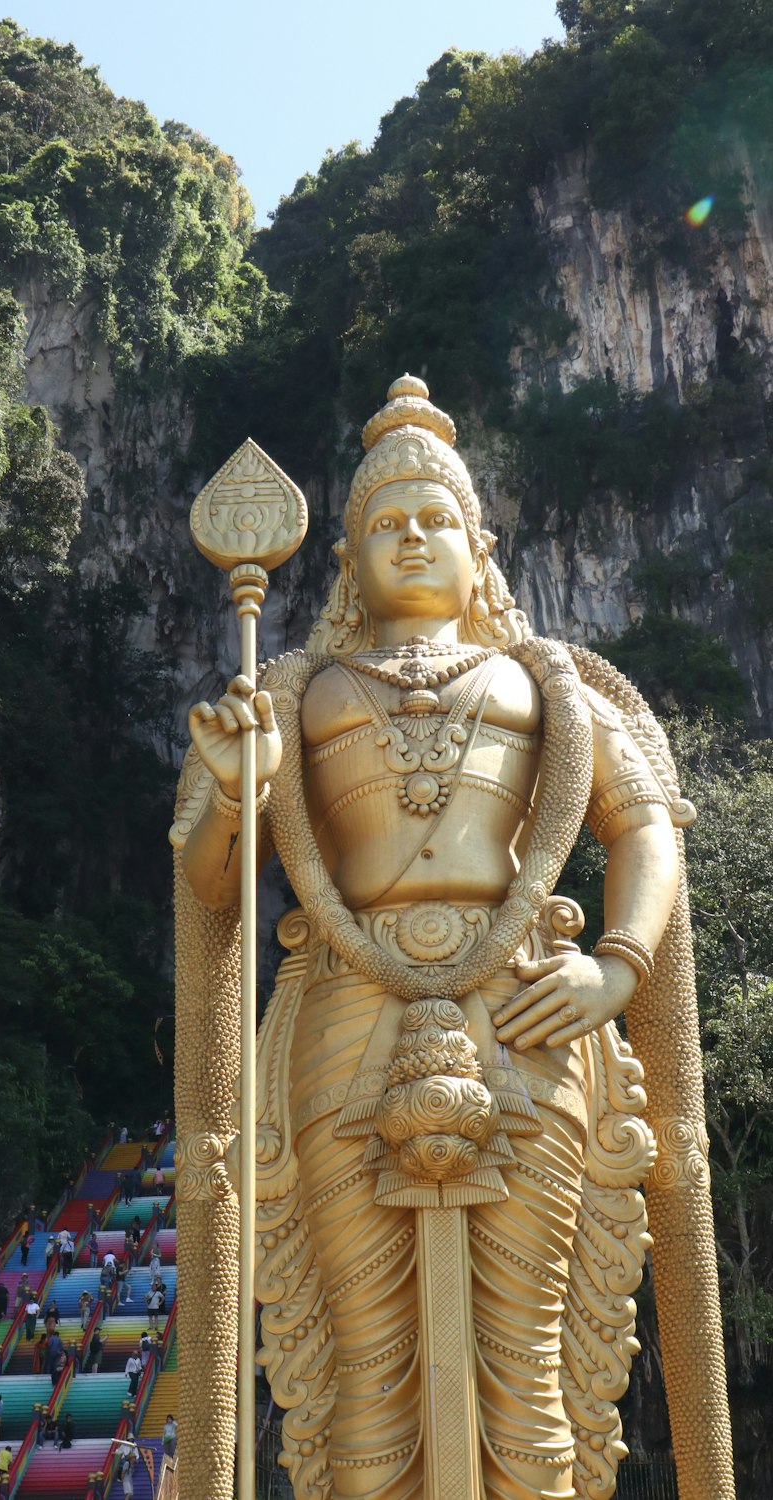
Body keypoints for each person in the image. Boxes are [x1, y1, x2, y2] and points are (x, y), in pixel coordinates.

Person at [174, 375, 732, 1500]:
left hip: (527, 1002)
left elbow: (646, 831)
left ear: (480, 548)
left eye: (435, 520)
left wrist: (615, 963)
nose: (412, 538)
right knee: (362, 1373)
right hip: (344, 1008)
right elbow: (210, 881)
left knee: (530, 1368)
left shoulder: (554, 686)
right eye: (385, 524)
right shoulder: (285, 689)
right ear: (346, 563)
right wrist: (237, 790)